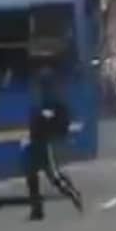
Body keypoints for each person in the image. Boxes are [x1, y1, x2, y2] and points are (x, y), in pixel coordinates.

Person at [24, 71, 84, 221]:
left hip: (46, 142)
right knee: (31, 175)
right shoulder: (40, 101)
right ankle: (36, 210)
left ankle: (73, 193)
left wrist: (48, 125)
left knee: (53, 175)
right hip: (36, 141)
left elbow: (60, 122)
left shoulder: (54, 101)